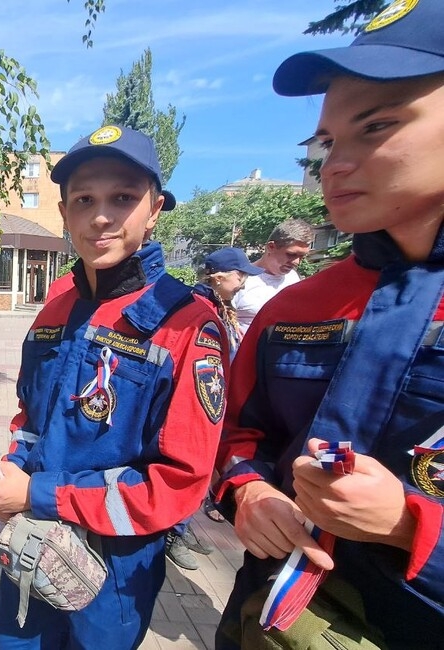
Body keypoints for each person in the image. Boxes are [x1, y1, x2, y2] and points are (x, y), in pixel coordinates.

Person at [214, 2, 444, 647]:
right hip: (266, 615)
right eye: (326, 142)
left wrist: (410, 526)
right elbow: (238, 434)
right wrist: (249, 494)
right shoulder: (296, 306)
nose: (334, 164)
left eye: (376, 126)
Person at [0, 124, 228, 649]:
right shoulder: (55, 308)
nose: (101, 216)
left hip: (114, 571)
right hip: (34, 541)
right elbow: (32, 418)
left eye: (122, 197)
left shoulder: (186, 324)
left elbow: (179, 483)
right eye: (84, 200)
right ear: (65, 214)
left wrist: (39, 493)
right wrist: (13, 466)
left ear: (155, 208)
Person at [165, 247, 266, 570]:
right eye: (240, 276)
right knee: (190, 468)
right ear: (220, 276)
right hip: (196, 408)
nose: (243, 282)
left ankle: (184, 526)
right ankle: (173, 532)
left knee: (205, 473)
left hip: (217, 404)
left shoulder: (220, 305)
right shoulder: (198, 308)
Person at [232, 218, 313, 333]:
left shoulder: (293, 278)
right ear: (271, 247)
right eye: (291, 254)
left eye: (302, 257)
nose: (296, 262)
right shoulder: (239, 279)